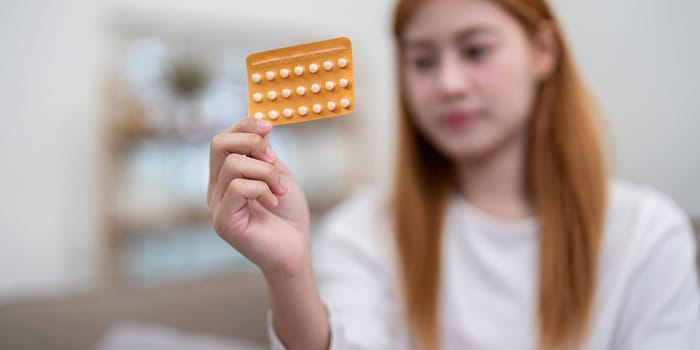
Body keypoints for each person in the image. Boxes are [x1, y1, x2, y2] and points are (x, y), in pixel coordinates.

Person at [206, 0, 700, 348]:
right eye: (422, 60)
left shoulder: (649, 234)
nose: (448, 83)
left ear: (543, 50)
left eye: (476, 50)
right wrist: (288, 272)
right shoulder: (362, 236)